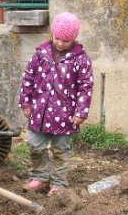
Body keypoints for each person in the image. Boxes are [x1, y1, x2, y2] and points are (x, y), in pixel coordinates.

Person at [18, 12, 93, 196]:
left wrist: (81, 112)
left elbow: (86, 86)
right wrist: (26, 102)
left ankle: (59, 183)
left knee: (60, 150)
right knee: (35, 145)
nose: (60, 43)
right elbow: (28, 77)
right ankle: (40, 176)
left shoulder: (80, 60)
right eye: (57, 38)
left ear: (74, 39)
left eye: (65, 41)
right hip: (39, 112)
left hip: (64, 116)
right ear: (52, 34)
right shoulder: (40, 54)